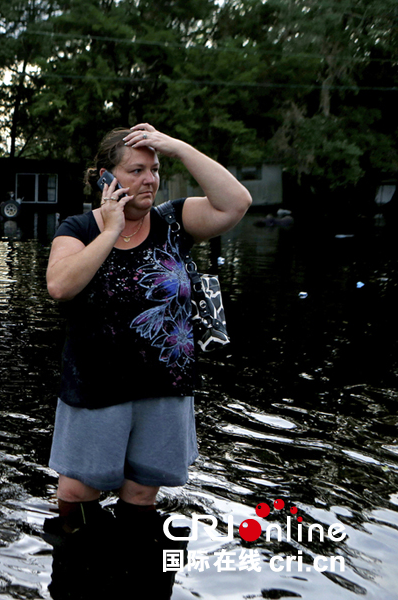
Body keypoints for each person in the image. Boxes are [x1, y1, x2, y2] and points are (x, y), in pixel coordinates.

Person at [45, 123, 251, 529]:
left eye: (154, 170)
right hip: (97, 387)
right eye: (136, 170)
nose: (150, 179)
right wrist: (111, 230)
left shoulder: (174, 221)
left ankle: (135, 562)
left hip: (163, 387)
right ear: (106, 177)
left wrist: (177, 148)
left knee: (141, 495)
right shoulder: (79, 229)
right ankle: (78, 565)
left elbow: (236, 203)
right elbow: (60, 286)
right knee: (77, 493)